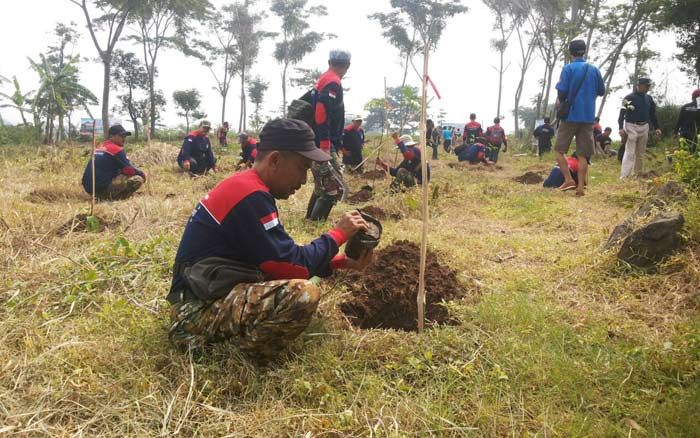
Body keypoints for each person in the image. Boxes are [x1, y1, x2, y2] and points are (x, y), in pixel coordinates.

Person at [168, 119, 373, 359]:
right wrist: (338, 235)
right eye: (302, 168)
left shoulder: (247, 187)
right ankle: (238, 356)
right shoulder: (250, 195)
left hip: (203, 294)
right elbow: (289, 266)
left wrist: (341, 262)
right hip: (191, 314)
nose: (305, 180)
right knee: (303, 294)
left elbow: (275, 258)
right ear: (275, 160)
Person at [554, 39, 605, 196]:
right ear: (585, 50)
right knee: (583, 154)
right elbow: (601, 91)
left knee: (559, 150)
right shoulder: (594, 70)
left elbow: (561, 92)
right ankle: (581, 187)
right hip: (588, 117)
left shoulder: (568, 68)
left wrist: (561, 103)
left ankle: (569, 179)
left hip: (570, 116)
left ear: (571, 52)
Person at [306, 50, 351, 222]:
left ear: (329, 61)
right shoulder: (332, 82)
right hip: (324, 143)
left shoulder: (325, 78)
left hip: (320, 141)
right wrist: (325, 144)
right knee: (335, 186)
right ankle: (316, 221)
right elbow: (321, 111)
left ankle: (310, 218)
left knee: (322, 183)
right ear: (347, 66)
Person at [82, 124, 146, 200]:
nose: (124, 139)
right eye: (121, 136)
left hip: (89, 188)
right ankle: (116, 197)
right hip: (101, 188)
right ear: (112, 136)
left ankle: (103, 194)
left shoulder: (100, 147)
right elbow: (129, 170)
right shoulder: (116, 149)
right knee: (138, 179)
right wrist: (141, 174)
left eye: (125, 136)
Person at [618, 77, 662, 179]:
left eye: (648, 86)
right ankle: (624, 176)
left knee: (640, 153)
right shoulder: (628, 97)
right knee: (630, 152)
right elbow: (622, 113)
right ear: (639, 85)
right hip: (631, 126)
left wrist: (657, 127)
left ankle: (637, 175)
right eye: (646, 86)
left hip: (644, 126)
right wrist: (620, 128)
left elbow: (652, 114)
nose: (647, 88)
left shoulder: (649, 99)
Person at [674, 89, 700, 154]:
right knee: (694, 154)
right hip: (695, 136)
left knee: (683, 154)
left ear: (692, 97)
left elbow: (679, 121)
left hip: (684, 134)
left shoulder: (685, 107)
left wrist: (675, 132)